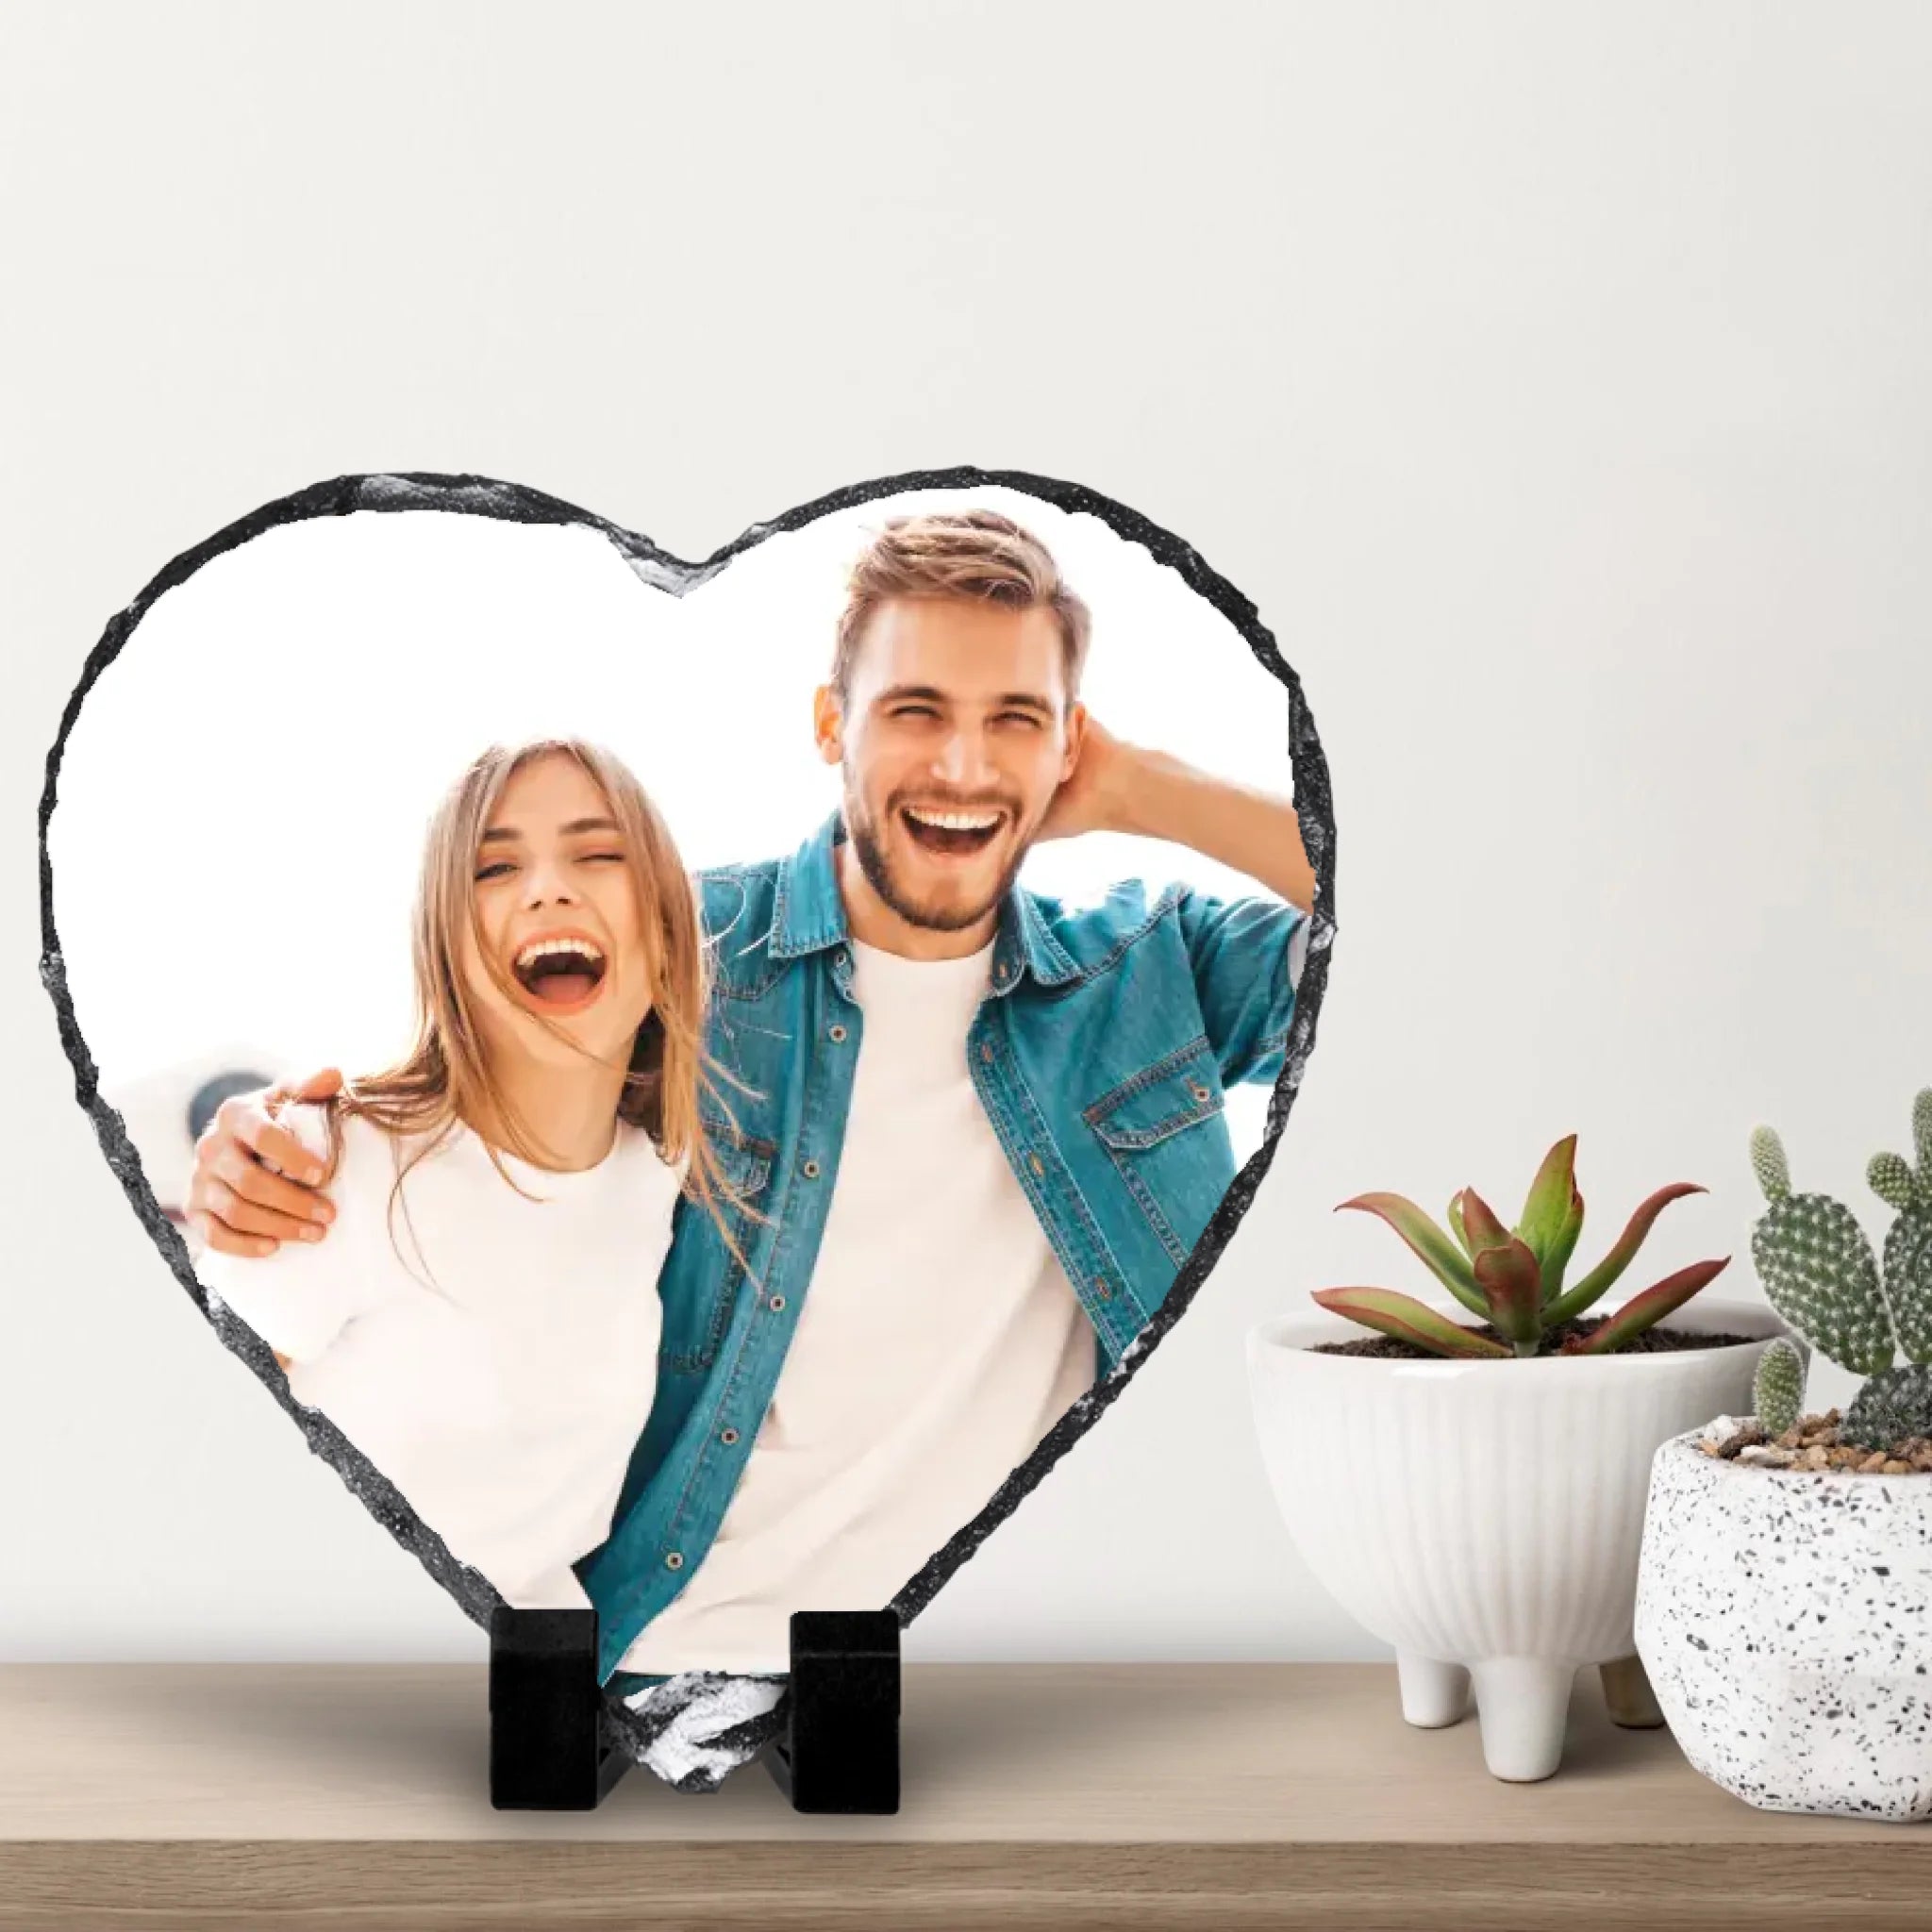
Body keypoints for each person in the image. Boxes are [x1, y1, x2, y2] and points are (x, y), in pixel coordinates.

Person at [188, 509, 1316, 1694]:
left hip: (1031, 1671)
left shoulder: (1147, 969)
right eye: (915, 710)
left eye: (1014, 721)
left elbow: (1403, 932)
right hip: (684, 1656)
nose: (965, 767)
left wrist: (1142, 786)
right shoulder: (691, 952)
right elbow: (479, 1080)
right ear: (831, 720)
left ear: (1067, 742)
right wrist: (262, 1144)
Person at [197, 738, 744, 1611]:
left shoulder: (663, 1177)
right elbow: (194, 1470)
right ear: (447, 954)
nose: (548, 888)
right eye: (494, 869)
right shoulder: (335, 1165)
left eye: (599, 855)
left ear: (672, 941)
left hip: (538, 1674)